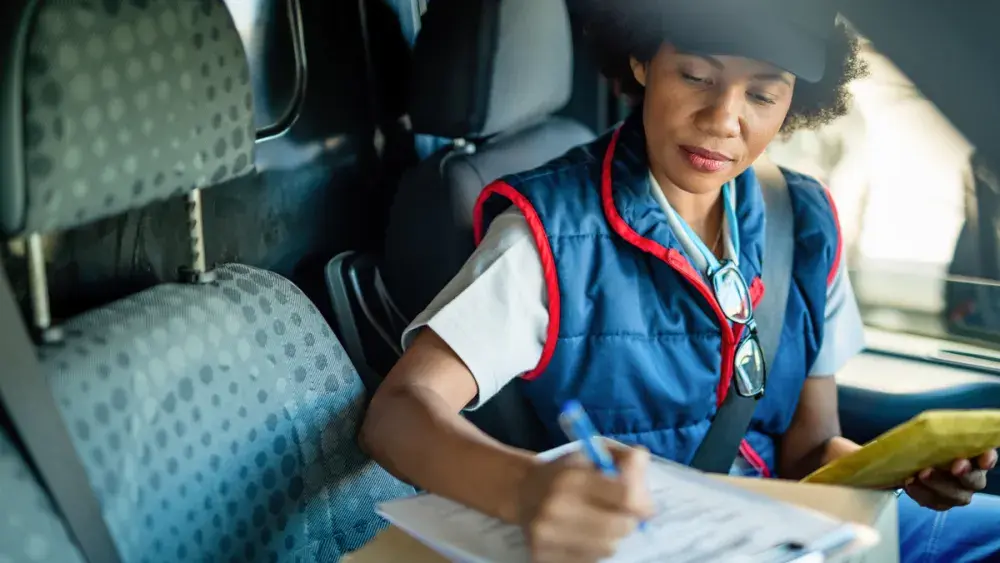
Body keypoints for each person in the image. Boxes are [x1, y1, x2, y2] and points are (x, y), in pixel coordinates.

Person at [360, 1, 1000, 561]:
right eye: (696, 75)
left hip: (781, 527)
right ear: (642, 60)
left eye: (762, 94)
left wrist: (893, 471)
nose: (724, 119)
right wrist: (524, 489)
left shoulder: (804, 223)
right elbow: (398, 412)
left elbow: (805, 451)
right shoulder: (548, 234)